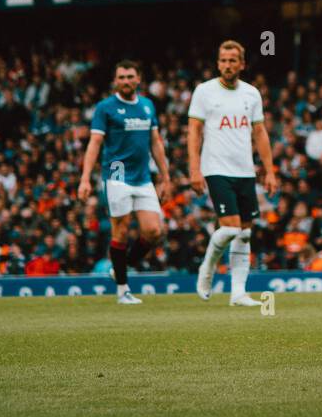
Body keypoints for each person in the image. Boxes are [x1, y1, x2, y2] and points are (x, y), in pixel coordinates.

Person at [190, 40, 278, 307]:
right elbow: (194, 131)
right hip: (215, 168)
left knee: (245, 233)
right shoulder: (204, 92)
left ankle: (238, 293)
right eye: (223, 60)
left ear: (242, 64)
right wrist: (194, 168)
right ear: (218, 63)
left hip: (245, 170)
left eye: (232, 61)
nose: (227, 65)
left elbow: (260, 133)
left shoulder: (251, 94)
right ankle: (206, 269)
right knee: (230, 228)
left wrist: (270, 171)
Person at [79, 59, 169, 305]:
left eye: (130, 76)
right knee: (121, 230)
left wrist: (165, 176)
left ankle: (120, 267)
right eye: (121, 77)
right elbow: (95, 143)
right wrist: (85, 178)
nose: (126, 81)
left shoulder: (147, 106)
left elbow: (156, 143)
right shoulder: (105, 108)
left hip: (142, 177)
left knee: (154, 231)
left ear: (138, 78)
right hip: (117, 175)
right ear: (115, 81)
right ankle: (122, 290)